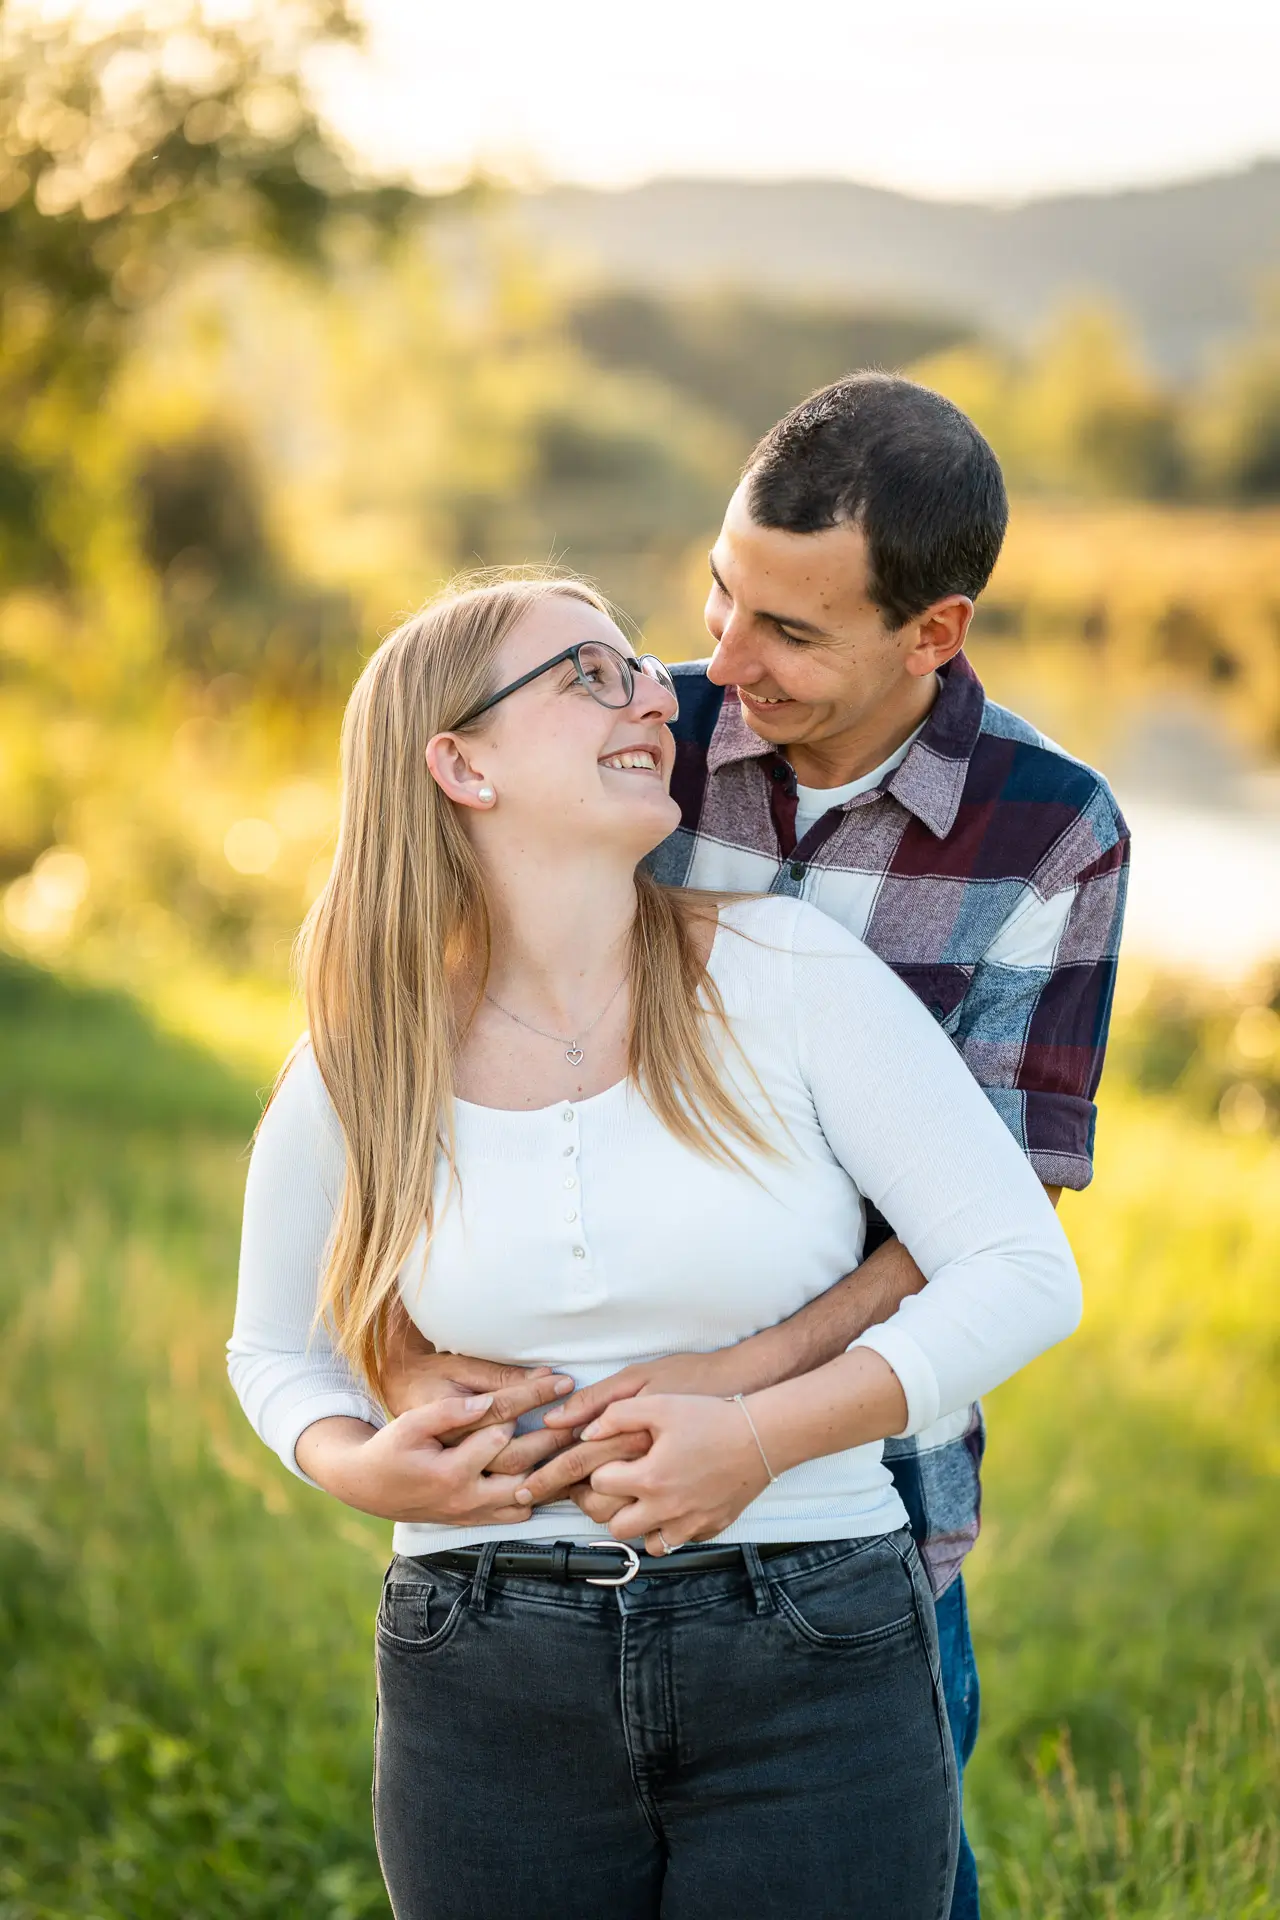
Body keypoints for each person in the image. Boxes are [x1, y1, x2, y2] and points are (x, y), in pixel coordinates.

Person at [379, 375, 1131, 1919]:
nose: (718, 664)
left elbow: (993, 1211)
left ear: (936, 634)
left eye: (790, 634)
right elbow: (413, 1040)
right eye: (721, 594)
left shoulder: (1050, 832)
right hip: (548, 1515)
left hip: (868, 1507)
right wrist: (398, 1364)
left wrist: (738, 1395)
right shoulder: (631, 730)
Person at [228, 569, 1082, 1919]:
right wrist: (358, 1466)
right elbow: (274, 1345)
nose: (652, 698)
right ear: (460, 764)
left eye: (637, 667)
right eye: (586, 675)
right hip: (483, 1665)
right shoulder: (365, 1050)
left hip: (811, 1635)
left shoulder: (782, 971)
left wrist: (762, 1436)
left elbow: (1024, 1270)